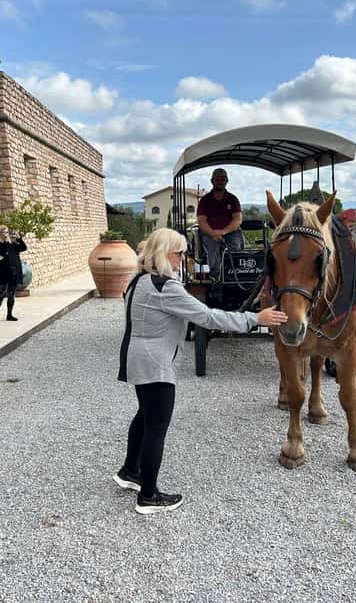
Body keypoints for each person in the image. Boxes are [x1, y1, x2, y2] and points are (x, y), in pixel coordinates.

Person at [114, 227, 288, 514]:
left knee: (144, 417)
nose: (183, 258)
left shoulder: (139, 281)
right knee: (156, 427)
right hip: (156, 364)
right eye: (179, 253)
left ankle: (129, 471)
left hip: (138, 358)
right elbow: (207, 317)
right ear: (162, 254)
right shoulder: (165, 287)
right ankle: (148, 495)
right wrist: (255, 319)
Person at [196, 167, 243, 281]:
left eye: (223, 179)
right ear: (213, 181)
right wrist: (213, 234)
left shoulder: (233, 199)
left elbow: (237, 219)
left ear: (226, 181)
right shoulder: (205, 200)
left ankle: (235, 274)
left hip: (230, 232)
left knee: (236, 246)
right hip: (209, 233)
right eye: (217, 179)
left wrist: (223, 232)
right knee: (212, 247)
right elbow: (201, 221)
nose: (220, 181)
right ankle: (215, 278)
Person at [0, 225, 27, 323]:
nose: (7, 234)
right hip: (4, 273)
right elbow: (3, 252)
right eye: (5, 232)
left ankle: (9, 315)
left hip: (14, 273)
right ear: (0, 233)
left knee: (11, 295)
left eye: (7, 232)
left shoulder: (12, 244)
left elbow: (23, 247)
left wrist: (19, 238)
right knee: (1, 294)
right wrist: (7, 242)